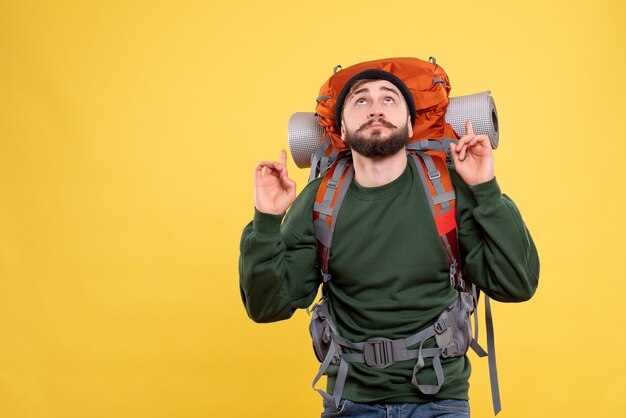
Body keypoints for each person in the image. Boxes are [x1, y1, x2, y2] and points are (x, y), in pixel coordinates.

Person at [239, 68, 539, 417]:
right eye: (361, 100)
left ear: (410, 125)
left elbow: (518, 284)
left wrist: (486, 189)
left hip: (440, 399)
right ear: (344, 129)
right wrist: (266, 220)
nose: (375, 108)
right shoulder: (320, 199)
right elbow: (266, 307)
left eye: (389, 99)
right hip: (350, 403)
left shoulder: (447, 188)